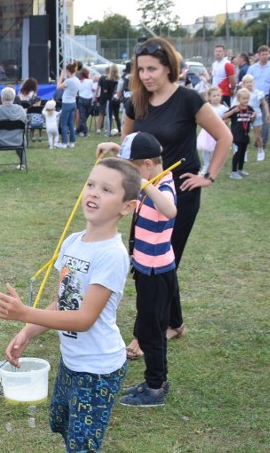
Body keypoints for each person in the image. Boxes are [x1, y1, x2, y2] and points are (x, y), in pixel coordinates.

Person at [0, 157, 140, 453]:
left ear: (127, 206)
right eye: (91, 184)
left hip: (98, 369)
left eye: (106, 189)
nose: (94, 193)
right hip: (73, 363)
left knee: (83, 450)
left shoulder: (112, 255)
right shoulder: (73, 243)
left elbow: (84, 319)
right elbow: (63, 302)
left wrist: (23, 312)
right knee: (62, 422)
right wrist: (27, 331)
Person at [98, 37, 232, 351]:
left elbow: (224, 136)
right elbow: (130, 145)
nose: (146, 75)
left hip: (177, 196)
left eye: (152, 69)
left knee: (158, 268)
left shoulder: (188, 99)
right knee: (153, 263)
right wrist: (115, 150)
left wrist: (207, 176)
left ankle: (146, 336)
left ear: (168, 67)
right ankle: (174, 323)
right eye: (140, 69)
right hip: (145, 194)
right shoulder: (136, 101)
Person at [113, 132, 178, 407]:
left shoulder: (162, 186)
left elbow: (170, 210)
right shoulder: (152, 178)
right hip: (146, 267)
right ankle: (156, 380)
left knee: (151, 331)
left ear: (148, 165)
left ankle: (154, 388)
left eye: (133, 168)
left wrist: (144, 185)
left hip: (156, 271)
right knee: (151, 324)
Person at [224, 87, 257, 179]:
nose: (245, 100)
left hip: (245, 135)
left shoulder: (250, 109)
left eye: (247, 98)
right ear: (238, 99)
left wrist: (254, 117)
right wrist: (233, 111)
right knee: (237, 153)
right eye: (243, 98)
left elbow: (251, 120)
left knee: (243, 153)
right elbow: (224, 116)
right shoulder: (236, 108)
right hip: (236, 136)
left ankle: (240, 169)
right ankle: (233, 171)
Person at [236, 74, 270, 161]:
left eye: (250, 82)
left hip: (257, 115)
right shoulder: (242, 93)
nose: (249, 84)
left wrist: (267, 114)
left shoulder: (258, 93)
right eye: (247, 82)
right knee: (245, 135)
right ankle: (244, 153)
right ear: (243, 83)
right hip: (245, 115)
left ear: (253, 82)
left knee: (257, 136)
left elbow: (264, 103)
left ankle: (260, 149)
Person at [196, 87, 228, 177]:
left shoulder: (223, 108)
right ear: (209, 97)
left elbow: (226, 118)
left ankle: (214, 166)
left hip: (218, 131)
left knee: (216, 148)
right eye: (214, 96)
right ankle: (206, 164)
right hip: (207, 131)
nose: (216, 98)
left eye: (218, 95)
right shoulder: (208, 107)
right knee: (205, 148)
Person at [56, 62, 80, 148]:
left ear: (68, 70)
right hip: (73, 102)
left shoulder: (69, 81)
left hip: (67, 103)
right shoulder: (77, 80)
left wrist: (61, 77)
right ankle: (72, 142)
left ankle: (64, 142)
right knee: (70, 123)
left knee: (64, 123)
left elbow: (58, 87)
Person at [98, 64, 122, 137]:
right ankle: (120, 130)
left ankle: (108, 132)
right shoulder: (119, 80)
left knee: (109, 116)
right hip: (117, 99)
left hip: (109, 99)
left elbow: (105, 90)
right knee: (117, 116)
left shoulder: (107, 79)